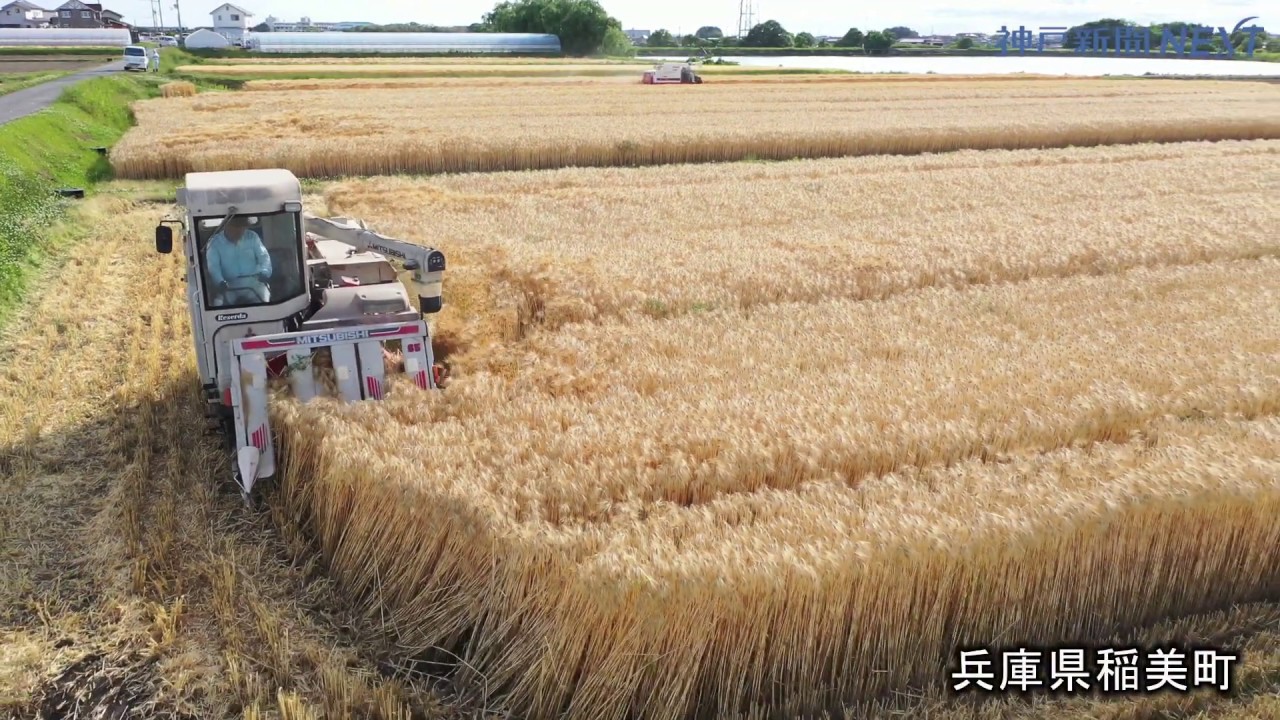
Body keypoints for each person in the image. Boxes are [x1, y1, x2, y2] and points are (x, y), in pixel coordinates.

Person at [205, 216, 271, 307]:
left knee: (266, 303)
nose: (238, 234)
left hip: (253, 284)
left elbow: (264, 257)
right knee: (218, 305)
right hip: (229, 287)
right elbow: (213, 267)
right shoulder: (214, 243)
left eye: (241, 230)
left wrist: (265, 272)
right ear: (226, 226)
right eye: (234, 230)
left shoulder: (252, 237)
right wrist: (220, 282)